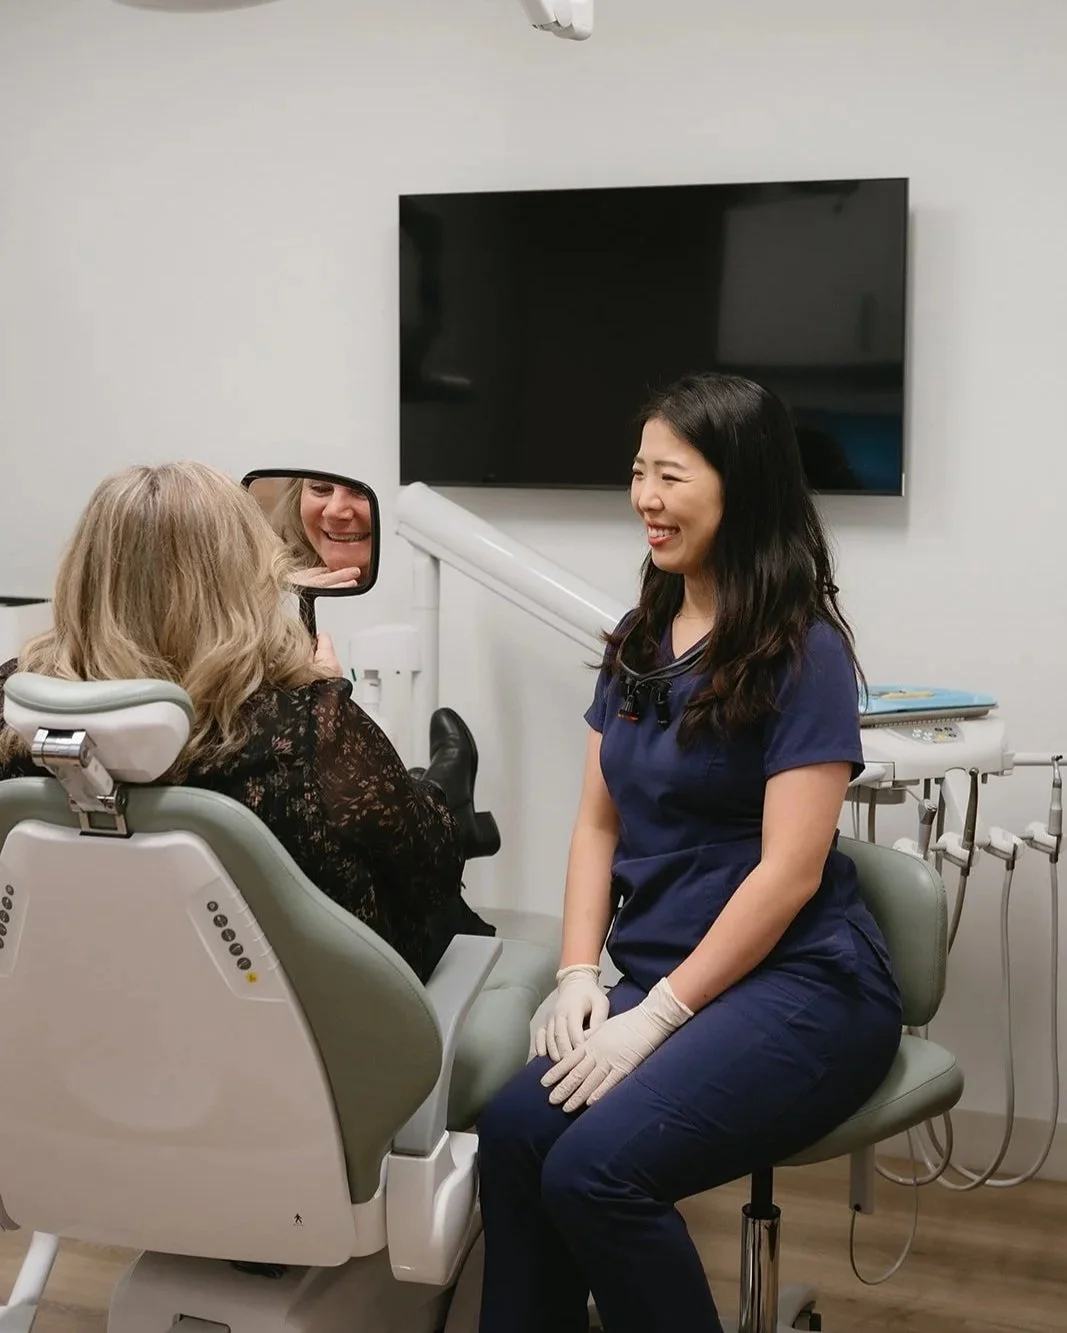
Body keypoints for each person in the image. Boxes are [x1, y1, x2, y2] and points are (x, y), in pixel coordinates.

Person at [475, 373, 903, 1333]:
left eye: (669, 475)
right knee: (509, 1134)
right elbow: (597, 822)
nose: (645, 499)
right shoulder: (636, 640)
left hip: (806, 986)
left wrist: (655, 1015)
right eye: (638, 473)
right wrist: (580, 971)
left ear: (740, 486)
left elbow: (789, 872)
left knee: (596, 1173)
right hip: (669, 974)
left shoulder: (801, 652)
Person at [0, 461, 488, 982]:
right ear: (240, 580)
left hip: (88, 999)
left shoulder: (19, 705)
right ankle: (447, 799)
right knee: (449, 896)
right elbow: (432, 873)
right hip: (314, 1023)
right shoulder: (305, 726)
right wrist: (324, 693)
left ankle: (440, 791)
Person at [268, 475, 375, 589]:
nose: (334, 511)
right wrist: (285, 599)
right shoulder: (262, 582)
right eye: (320, 489)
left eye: (361, 491)